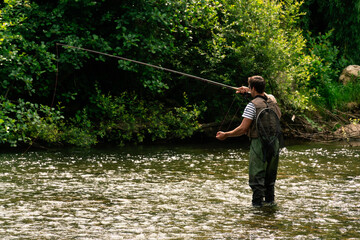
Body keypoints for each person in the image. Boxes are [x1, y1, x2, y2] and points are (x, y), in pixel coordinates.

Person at [216, 76, 281, 207]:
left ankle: (257, 210)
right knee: (270, 179)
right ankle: (270, 207)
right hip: (275, 143)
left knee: (257, 179)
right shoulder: (273, 102)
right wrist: (250, 90)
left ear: (253, 88)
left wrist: (226, 135)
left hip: (258, 144)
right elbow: (267, 96)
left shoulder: (252, 106)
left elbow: (242, 129)